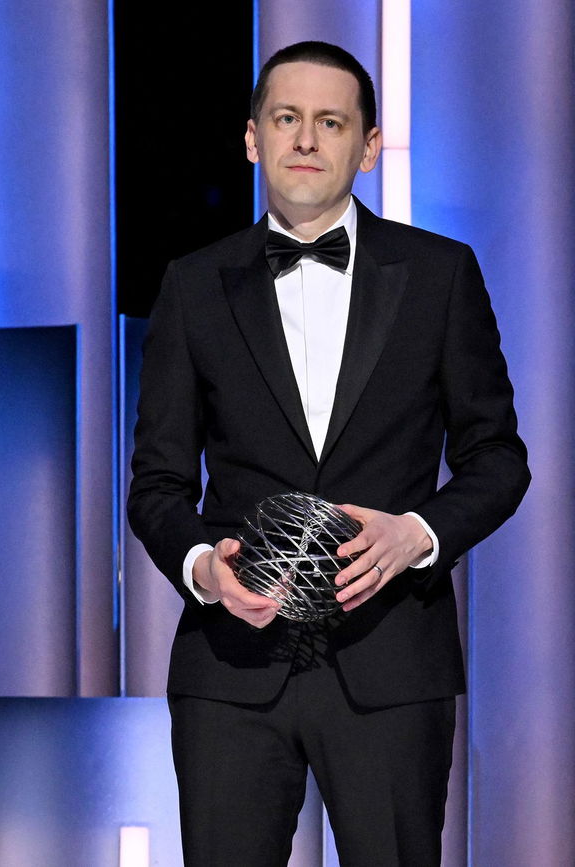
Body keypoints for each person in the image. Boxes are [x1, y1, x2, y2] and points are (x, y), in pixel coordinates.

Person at [127, 41, 528, 866]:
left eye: (330, 121)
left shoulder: (440, 275)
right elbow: (158, 483)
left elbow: (498, 458)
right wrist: (205, 568)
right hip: (231, 669)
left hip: (391, 664)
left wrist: (417, 532)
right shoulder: (193, 284)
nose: (305, 139)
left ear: (369, 146)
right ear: (252, 138)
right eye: (286, 118)